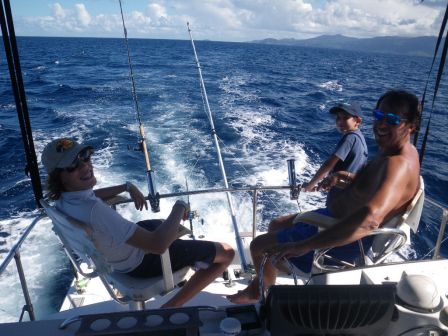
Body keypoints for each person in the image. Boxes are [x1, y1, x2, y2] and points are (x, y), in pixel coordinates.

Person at [228, 89, 421, 304]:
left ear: (412, 125)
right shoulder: (395, 152)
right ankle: (265, 282)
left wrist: (303, 245)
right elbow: (372, 183)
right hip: (332, 218)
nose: (381, 125)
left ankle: (261, 292)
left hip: (340, 243)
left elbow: (369, 221)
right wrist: (344, 177)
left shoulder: (398, 164)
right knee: (276, 224)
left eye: (392, 119)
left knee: (258, 246)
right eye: (379, 116)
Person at [41, 137, 234, 308]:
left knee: (161, 223)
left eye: (85, 157)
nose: (85, 166)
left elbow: (92, 196)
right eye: (72, 166)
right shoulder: (95, 211)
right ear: (59, 176)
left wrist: (127, 187)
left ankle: (185, 252)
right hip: (141, 262)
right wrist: (180, 206)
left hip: (116, 258)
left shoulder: (63, 201)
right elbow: (157, 245)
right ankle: (173, 305)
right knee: (227, 252)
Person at [302, 102, 368, 207]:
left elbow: (329, 164)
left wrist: (310, 185)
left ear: (358, 121)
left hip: (339, 202)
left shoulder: (350, 138)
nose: (340, 122)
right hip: (351, 199)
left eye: (345, 118)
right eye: (338, 118)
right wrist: (323, 185)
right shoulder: (360, 138)